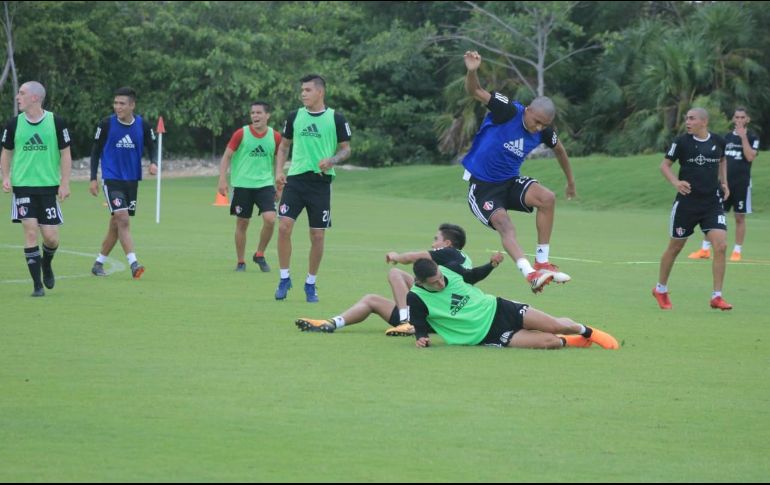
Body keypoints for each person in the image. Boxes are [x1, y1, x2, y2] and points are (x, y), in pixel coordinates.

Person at [461, 51, 575, 294]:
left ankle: (542, 263)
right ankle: (529, 274)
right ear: (529, 110)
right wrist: (472, 70)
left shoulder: (543, 131)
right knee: (505, 225)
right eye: (538, 121)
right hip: (482, 187)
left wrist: (570, 182)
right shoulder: (508, 110)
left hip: (510, 181)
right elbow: (475, 91)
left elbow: (561, 151)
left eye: (545, 125)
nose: (539, 128)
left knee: (548, 198)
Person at [295, 223, 504, 336]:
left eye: (436, 239)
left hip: (431, 317)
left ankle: (407, 322)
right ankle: (332, 323)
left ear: (447, 243)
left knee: (395, 273)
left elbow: (413, 257)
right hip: (441, 312)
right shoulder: (463, 259)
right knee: (371, 300)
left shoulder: (447, 254)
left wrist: (395, 257)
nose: (433, 243)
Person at [407, 259, 618, 350]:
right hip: (486, 335)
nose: (441, 283)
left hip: (499, 308)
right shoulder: (416, 297)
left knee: (555, 325)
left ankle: (588, 332)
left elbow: (472, 275)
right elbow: (419, 322)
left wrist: (490, 264)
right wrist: (421, 338)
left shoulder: (448, 269)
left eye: (440, 277)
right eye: (434, 283)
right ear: (420, 282)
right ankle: (570, 341)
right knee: (550, 342)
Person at [273, 74, 351, 302]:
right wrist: (279, 171)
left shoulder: (336, 118)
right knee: (284, 227)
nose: (303, 94)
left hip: (320, 183)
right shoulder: (294, 116)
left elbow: (346, 150)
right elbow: (284, 147)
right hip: (295, 181)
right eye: (302, 90)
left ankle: (310, 283)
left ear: (320, 92)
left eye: (307, 90)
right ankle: (284, 277)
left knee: (317, 236)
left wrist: (332, 160)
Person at [652, 108, 733, 311]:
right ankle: (660, 289)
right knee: (675, 247)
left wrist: (724, 183)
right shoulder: (681, 142)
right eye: (687, 118)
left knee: (721, 246)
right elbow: (664, 166)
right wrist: (676, 182)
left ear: (704, 122)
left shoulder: (718, 141)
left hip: (712, 203)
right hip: (687, 204)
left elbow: (723, 160)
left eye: (692, 119)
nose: (687, 122)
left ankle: (717, 296)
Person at [1, 81, 72, 297]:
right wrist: (5, 176)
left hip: (48, 187)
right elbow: (6, 152)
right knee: (30, 233)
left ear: (35, 98)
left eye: (21, 93)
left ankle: (47, 264)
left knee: (51, 238)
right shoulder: (13, 124)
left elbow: (66, 154)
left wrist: (65, 182)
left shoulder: (56, 122)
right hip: (23, 187)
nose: (17, 97)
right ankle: (37, 286)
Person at [88, 87, 157, 279]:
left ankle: (98, 263)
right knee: (123, 219)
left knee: (116, 223)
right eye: (115, 103)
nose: (117, 107)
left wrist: (153, 162)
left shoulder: (143, 125)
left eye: (122, 103)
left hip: (132, 181)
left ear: (132, 105)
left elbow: (152, 146)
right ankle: (134, 264)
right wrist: (93, 178)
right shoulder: (106, 124)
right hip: (111, 179)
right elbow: (95, 152)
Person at [688, 107, 759, 262]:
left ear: (747, 120)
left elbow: (750, 157)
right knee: (713, 215)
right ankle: (705, 249)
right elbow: (720, 160)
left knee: (739, 217)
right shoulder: (726, 137)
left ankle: (737, 251)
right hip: (724, 184)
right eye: (737, 117)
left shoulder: (752, 137)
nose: (739, 120)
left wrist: (743, 138)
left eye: (742, 117)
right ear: (733, 119)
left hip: (742, 184)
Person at [217, 101, 282, 272]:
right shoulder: (241, 134)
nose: (255, 116)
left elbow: (280, 160)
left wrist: (279, 181)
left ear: (267, 115)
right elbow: (226, 157)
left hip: (265, 185)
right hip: (242, 185)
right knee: (242, 223)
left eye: (259, 113)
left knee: (270, 219)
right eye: (253, 113)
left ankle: (259, 254)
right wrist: (222, 180)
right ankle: (240, 261)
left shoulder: (275, 137)